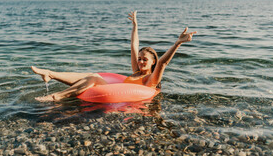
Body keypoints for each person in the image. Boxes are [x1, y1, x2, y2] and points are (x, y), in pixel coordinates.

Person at [32, 11, 197, 102]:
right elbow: (133, 46)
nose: (140, 61)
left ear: (152, 62)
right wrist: (135, 26)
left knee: (94, 78)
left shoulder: (151, 79)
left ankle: (56, 96)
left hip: (128, 99)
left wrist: (178, 43)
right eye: (140, 58)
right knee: (91, 76)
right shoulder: (136, 71)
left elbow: (163, 63)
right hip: (115, 92)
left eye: (145, 59)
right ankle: (50, 73)